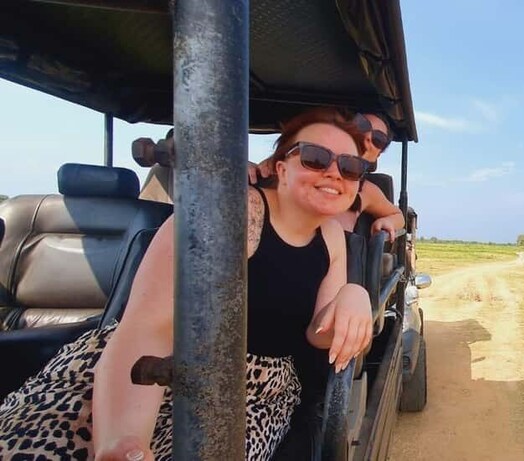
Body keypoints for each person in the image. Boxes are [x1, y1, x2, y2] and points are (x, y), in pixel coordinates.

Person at [0, 108, 374, 460]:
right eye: (314, 157)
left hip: (256, 391)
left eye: (351, 166)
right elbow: (150, 327)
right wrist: (123, 440)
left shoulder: (332, 236)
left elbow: (318, 331)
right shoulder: (231, 212)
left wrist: (353, 296)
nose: (334, 173)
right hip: (152, 365)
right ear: (282, 167)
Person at [253, 112, 403, 238]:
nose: (368, 136)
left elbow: (398, 215)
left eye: (378, 139)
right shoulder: (284, 166)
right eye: (363, 125)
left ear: (378, 155)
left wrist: (387, 222)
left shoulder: (367, 191)